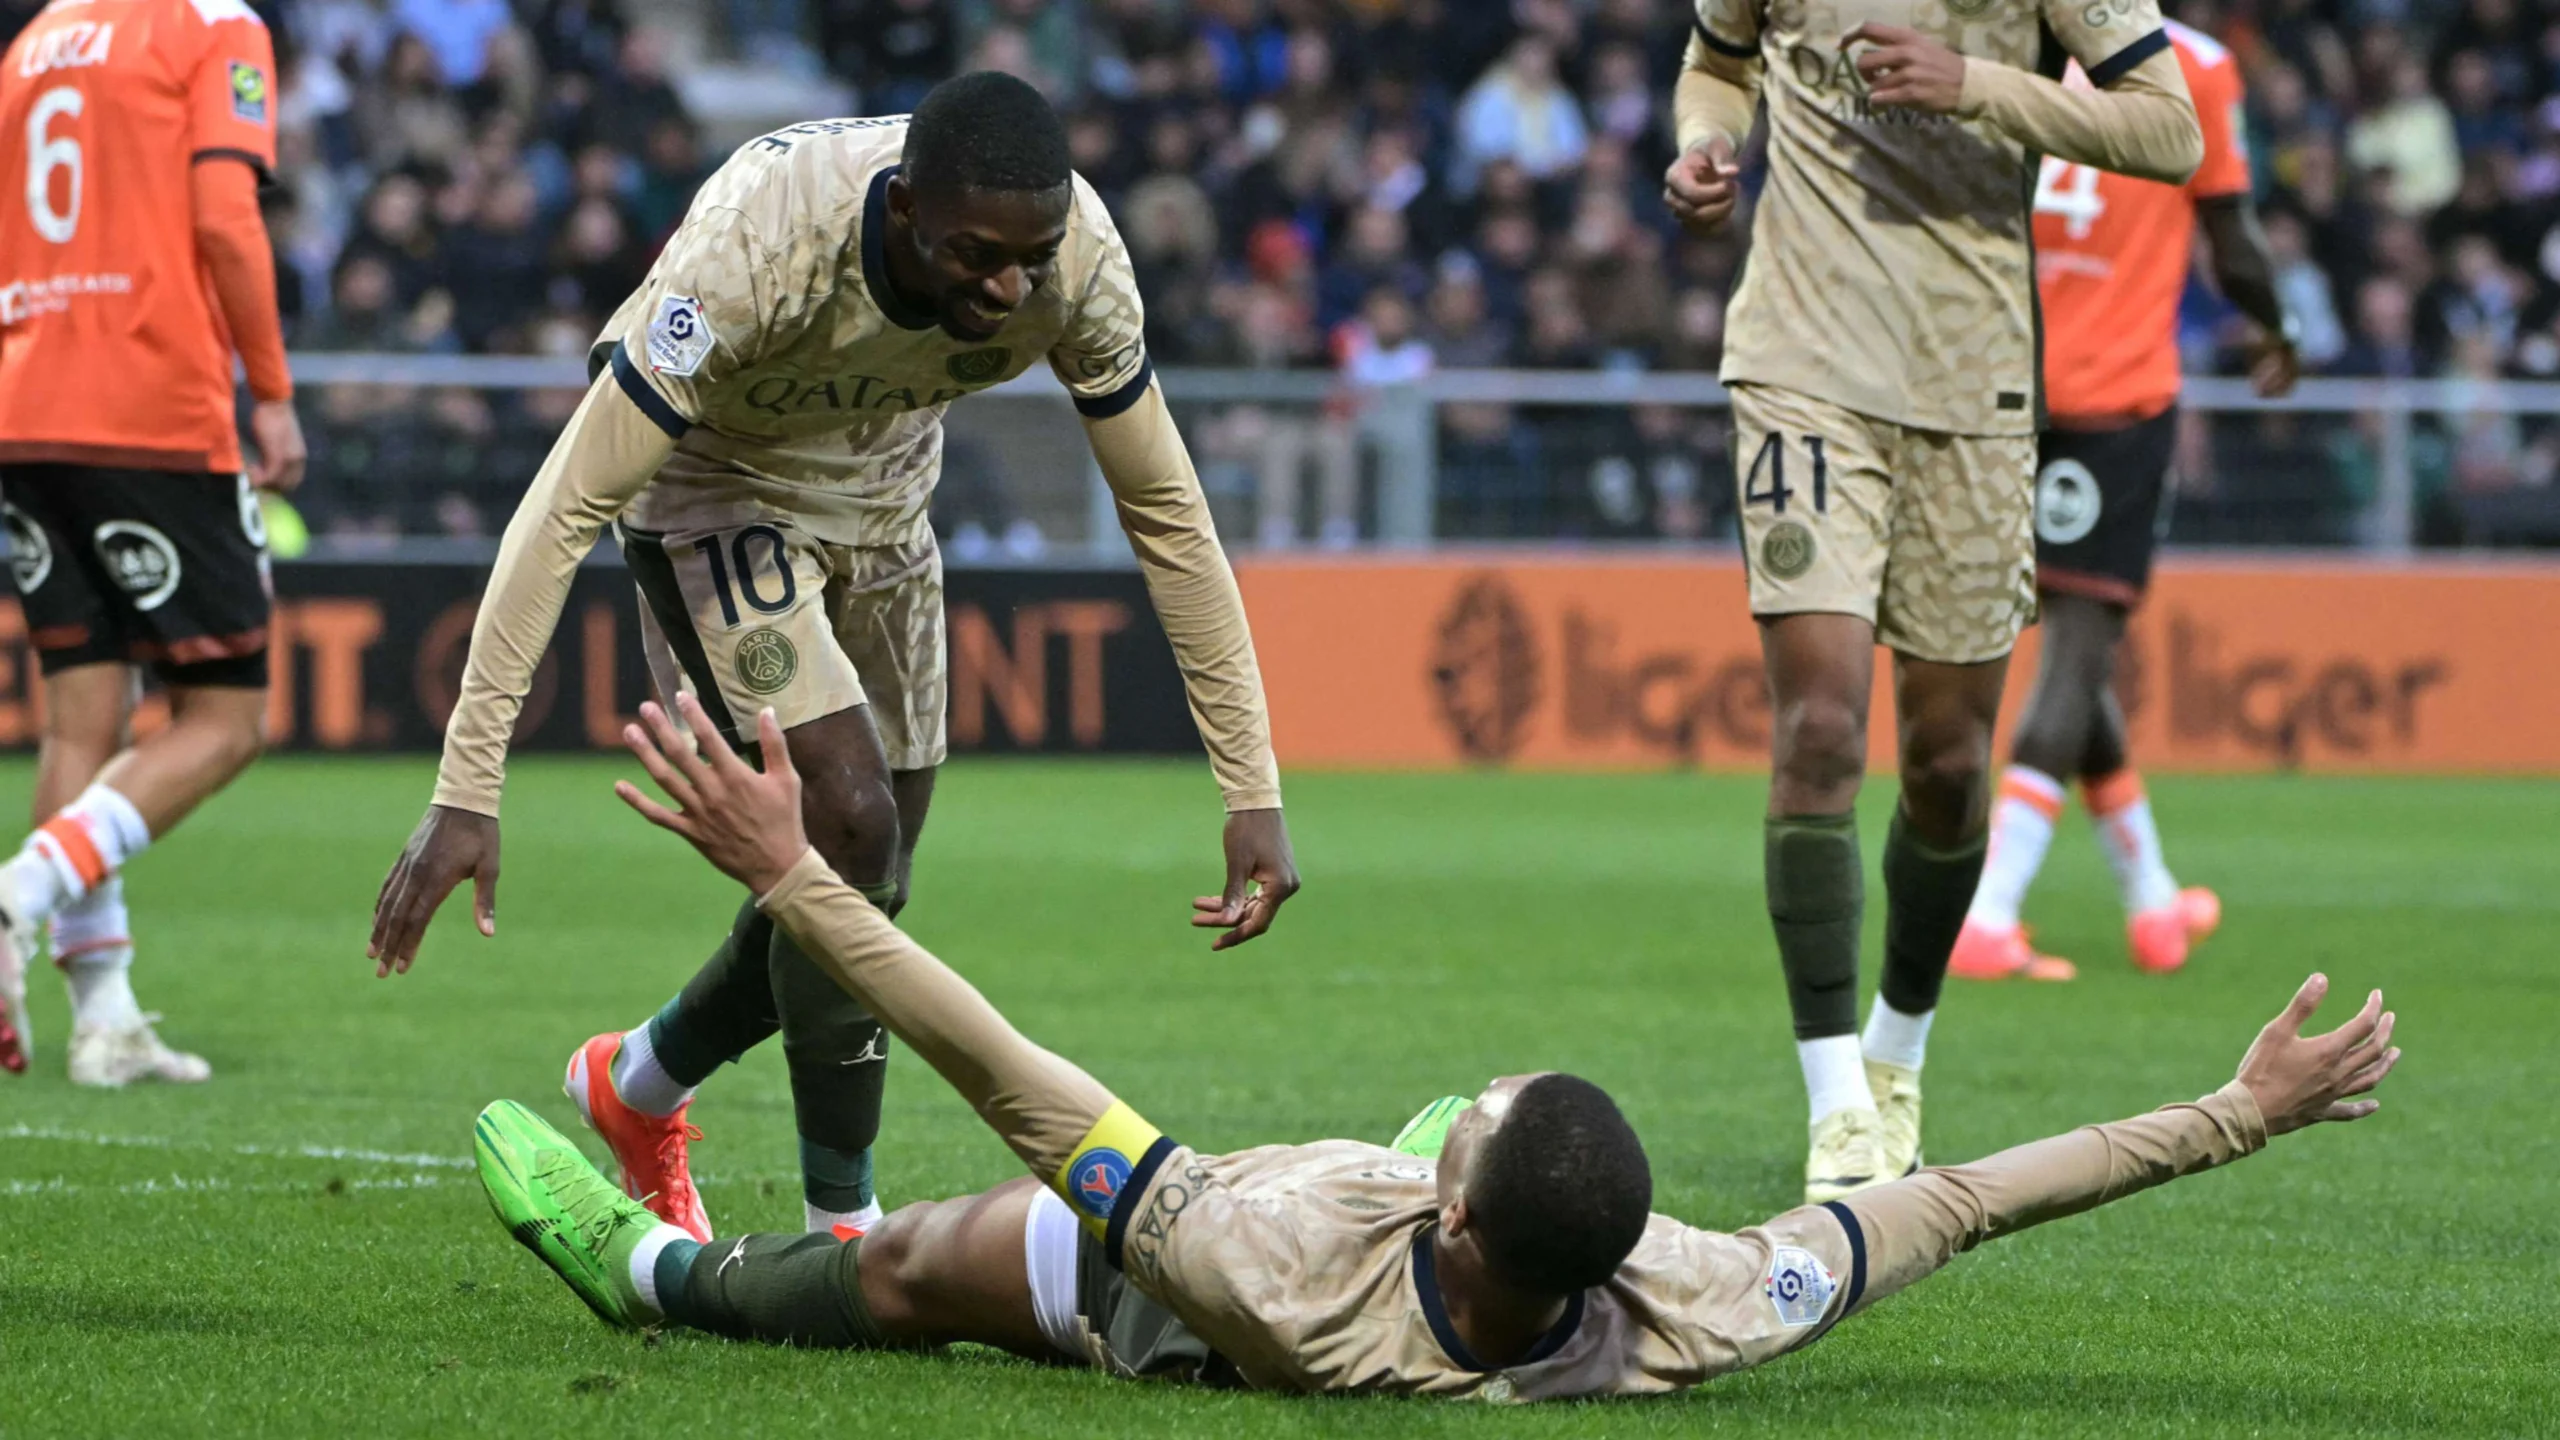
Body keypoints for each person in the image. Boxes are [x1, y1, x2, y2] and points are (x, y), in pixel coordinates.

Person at [472, 692, 2399, 1398]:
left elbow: (1020, 1079)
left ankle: (647, 1269)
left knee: (912, 1267)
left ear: (1456, 1210)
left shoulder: (1268, 1271)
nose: (1480, 1100)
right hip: (1430, 1244)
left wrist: (803, 882)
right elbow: (1962, 1200)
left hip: (1174, 1281)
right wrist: (2233, 1110)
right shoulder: (1699, 1296)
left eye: (1474, 1130)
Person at [369, 73, 1298, 1243]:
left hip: (890, 507)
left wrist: (1250, 784)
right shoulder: (762, 239)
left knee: (873, 875)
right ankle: (842, 1233)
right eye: (976, 256)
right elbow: (559, 507)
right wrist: (468, 785)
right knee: (849, 826)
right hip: (717, 492)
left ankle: (638, 1082)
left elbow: (1169, 513)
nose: (1011, 286)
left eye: (1033, 255)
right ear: (903, 209)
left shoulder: (1081, 262)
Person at [1660, 0, 2203, 1201]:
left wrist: (1972, 83)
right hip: (1800, 364)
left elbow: (2173, 133)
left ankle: (1897, 1048)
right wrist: (1706, 146)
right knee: (1818, 727)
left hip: (1976, 390)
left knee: (1952, 762)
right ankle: (1836, 1101)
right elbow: (1715, 65)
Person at [1954, 18, 2299, 985]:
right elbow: (2231, 242)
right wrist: (2282, 328)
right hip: (2115, 399)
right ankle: (1991, 911)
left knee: (2079, 648)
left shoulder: (2012, 41)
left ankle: (2152, 900)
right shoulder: (2199, 65)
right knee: (2076, 649)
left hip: (2001, 384)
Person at [0, 0, 306, 1084]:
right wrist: (270, 395)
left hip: (25, 403)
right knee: (225, 720)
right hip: (150, 409)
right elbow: (227, 218)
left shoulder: (34, 39)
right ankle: (20, 892)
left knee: (83, 719)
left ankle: (104, 1021)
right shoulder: (213, 22)